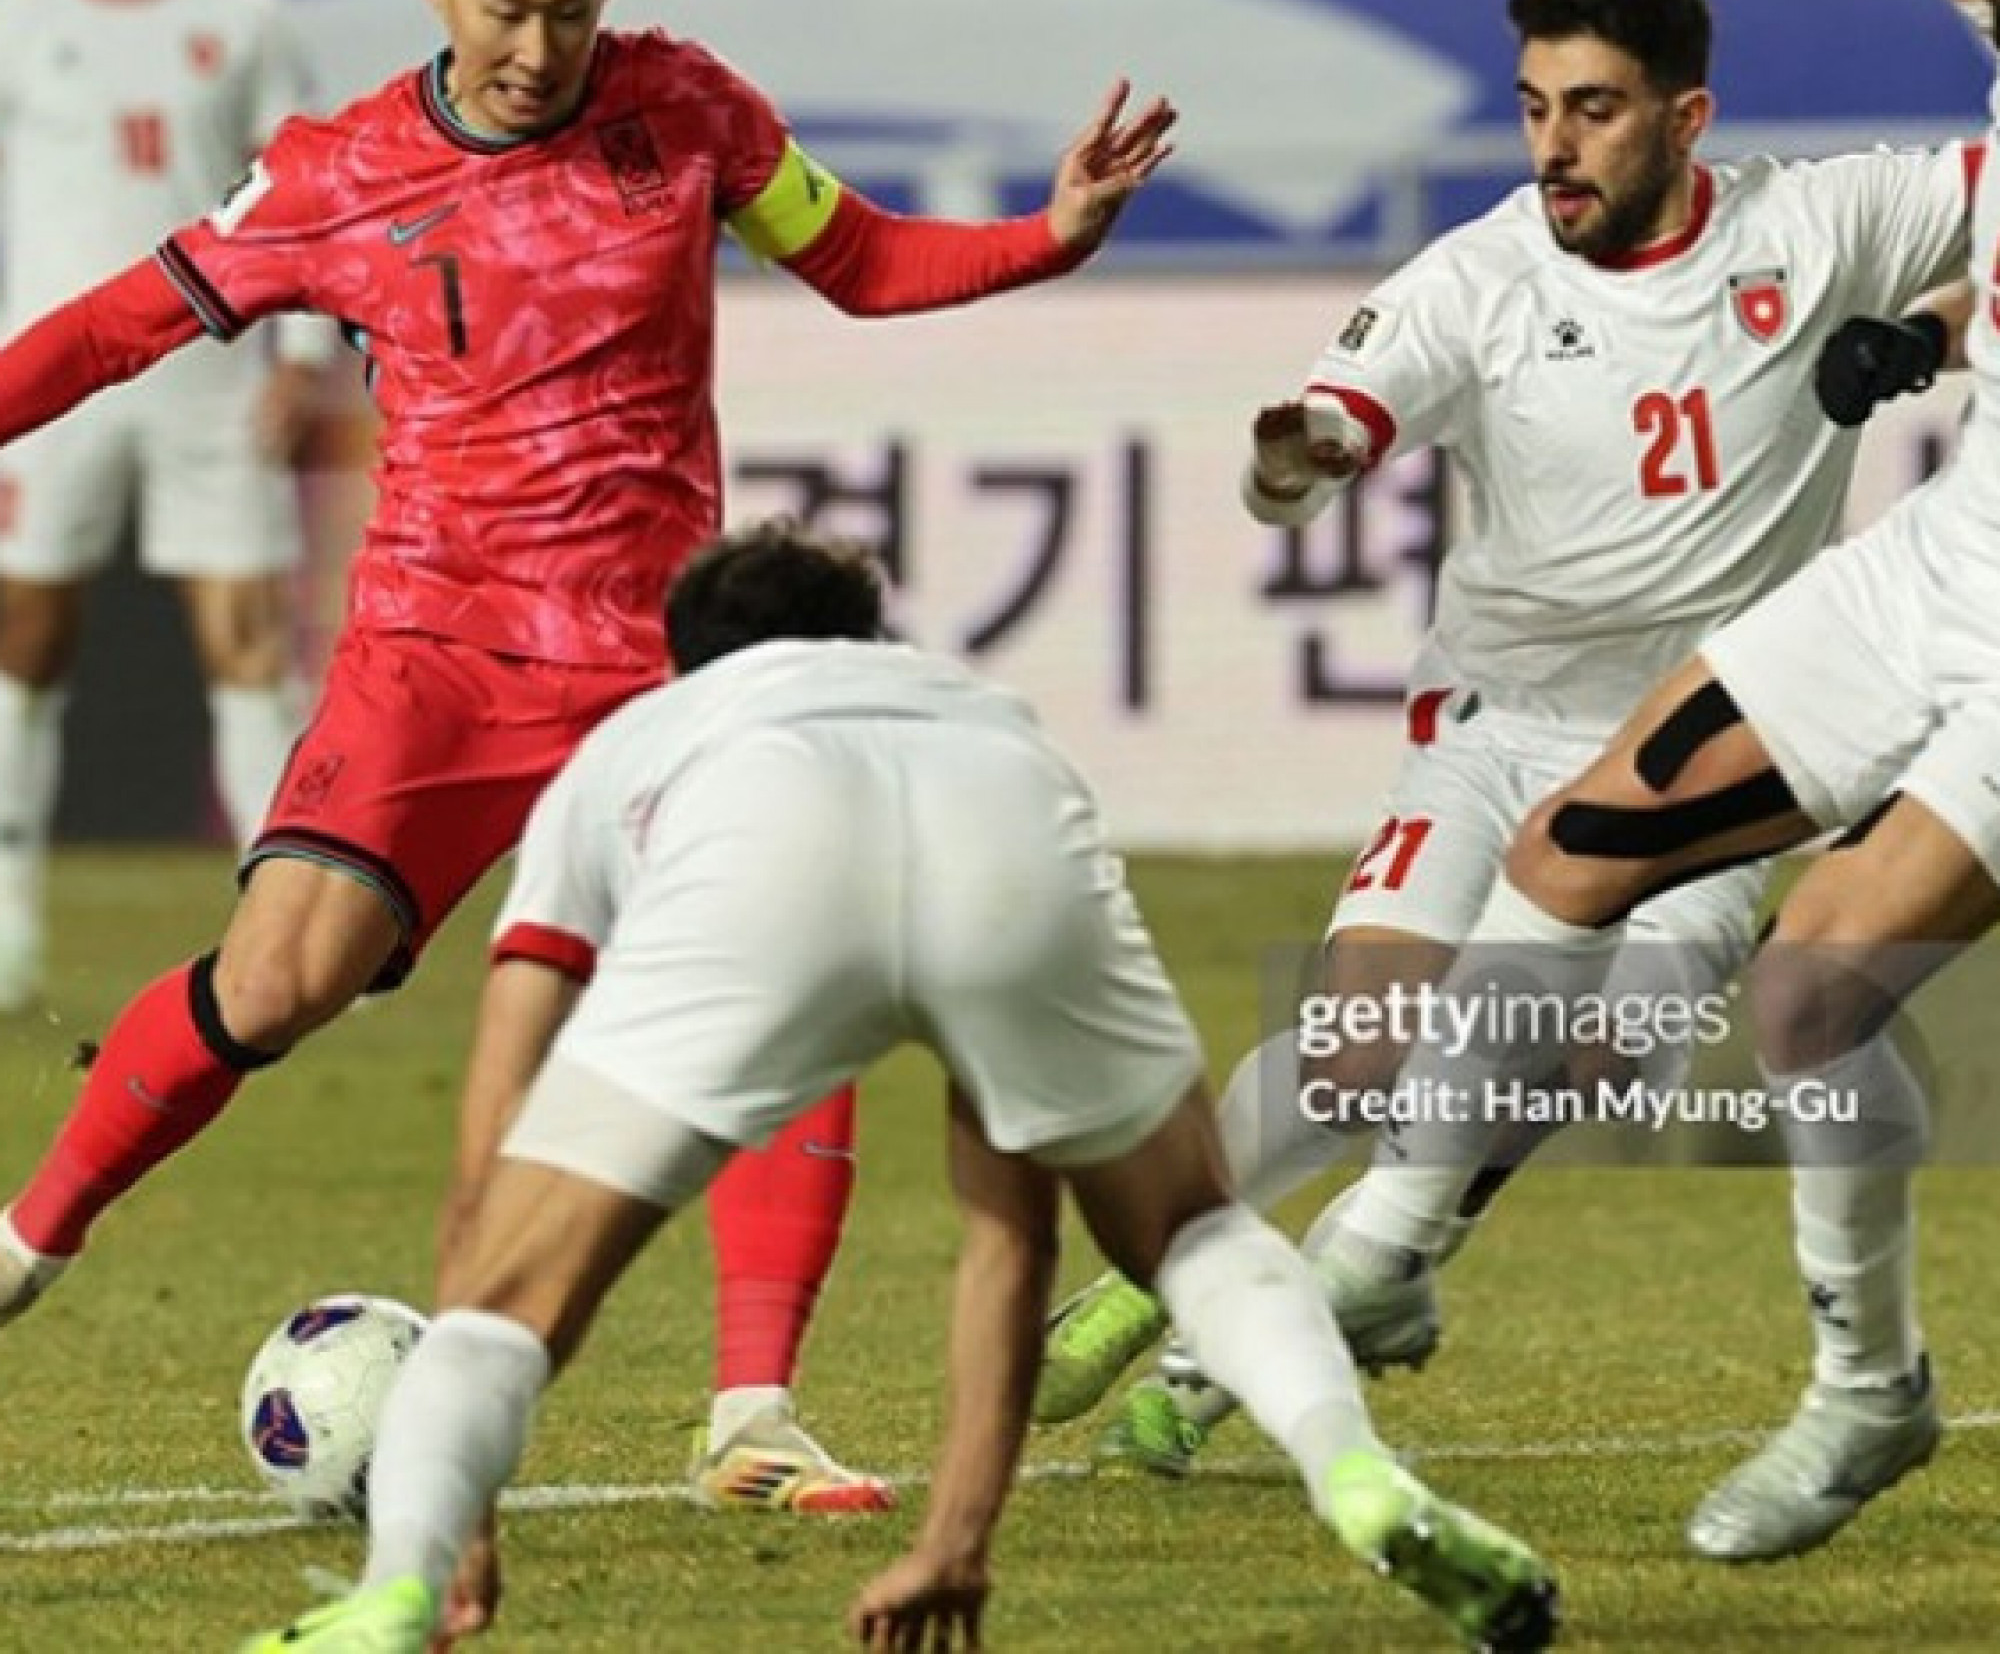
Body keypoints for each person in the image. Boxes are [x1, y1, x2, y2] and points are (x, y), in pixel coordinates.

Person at [0, 0, 1175, 1521]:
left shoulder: (686, 110)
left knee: (795, 970)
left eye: (570, 8)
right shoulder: (333, 175)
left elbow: (853, 258)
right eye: (502, 8)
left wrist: (1041, 238)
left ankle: (752, 1414)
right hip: (434, 660)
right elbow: (121, 321)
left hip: (658, 668)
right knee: (275, 984)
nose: (537, 48)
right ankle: (28, 1240)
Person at [236, 521, 1559, 1654]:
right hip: (1002, 836)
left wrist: (474, 1394)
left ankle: (397, 1584)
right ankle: (1355, 1470)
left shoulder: (646, 733)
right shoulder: (982, 712)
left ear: (689, 658)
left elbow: (500, 1085)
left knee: (512, 1313)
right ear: (869, 640)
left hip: (756, 855)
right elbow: (1012, 1234)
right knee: (1193, 1228)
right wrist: (955, 1543)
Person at [1031, 0, 1979, 1476]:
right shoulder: (1480, 275)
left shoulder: (1816, 224)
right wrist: (1296, 461)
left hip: (1715, 745)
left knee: (1592, 1060)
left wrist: (1934, 320)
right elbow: (1325, 433)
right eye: (1536, 106)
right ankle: (1205, 1278)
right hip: (1499, 720)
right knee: (1357, 1057)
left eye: (1596, 109)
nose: (1555, 144)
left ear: (1689, 117)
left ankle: (1297, 1313)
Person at [1301, 0, 2000, 1565]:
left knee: (1815, 990)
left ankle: (1868, 1394)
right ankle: (1384, 1254)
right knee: (1569, 848)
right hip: (1939, 561)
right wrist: (1924, 325)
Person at [0, 0, 333, 1012]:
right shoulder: (18, 19)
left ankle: (291, 934)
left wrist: (302, 359)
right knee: (23, 637)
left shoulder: (246, 16)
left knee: (245, 642)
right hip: (53, 375)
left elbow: (300, 199)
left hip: (211, 374)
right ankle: (6, 931)